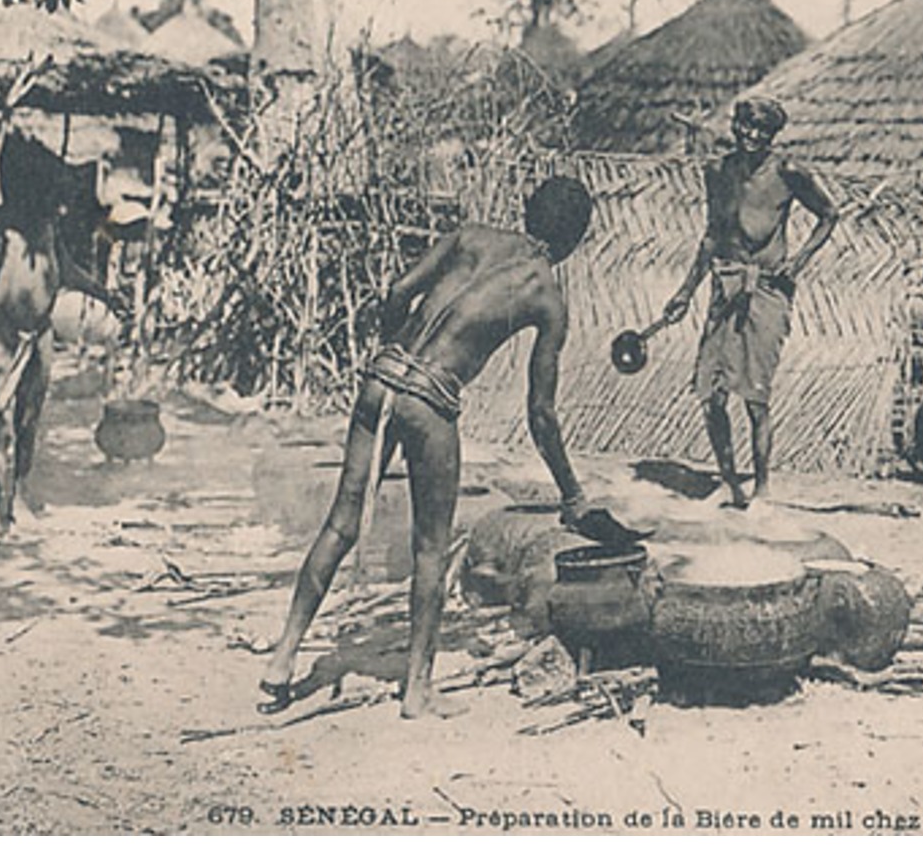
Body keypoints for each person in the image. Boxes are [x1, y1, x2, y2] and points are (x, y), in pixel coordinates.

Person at [259, 176, 646, 720]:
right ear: (576, 241)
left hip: (381, 378)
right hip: (429, 401)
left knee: (340, 526)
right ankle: (417, 692)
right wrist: (572, 495)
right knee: (430, 550)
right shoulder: (545, 297)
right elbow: (541, 414)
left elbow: (395, 293)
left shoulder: (469, 237)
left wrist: (395, 355)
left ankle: (281, 661)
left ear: (527, 212)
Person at [661, 98, 839, 510]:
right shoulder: (718, 172)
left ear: (773, 135)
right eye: (745, 127)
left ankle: (761, 489)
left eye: (762, 131)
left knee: (756, 396)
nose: (751, 137)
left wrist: (798, 261)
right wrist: (686, 291)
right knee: (712, 393)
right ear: (735, 126)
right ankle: (730, 484)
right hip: (724, 284)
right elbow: (711, 236)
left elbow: (830, 214)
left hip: (766, 292)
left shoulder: (789, 172)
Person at [0, 132, 125, 546]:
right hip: (3, 337)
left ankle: (18, 494)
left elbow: (65, 270)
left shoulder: (46, 227)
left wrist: (105, 294)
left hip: (40, 338)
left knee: (28, 424)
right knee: (1, 425)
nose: (52, 197)